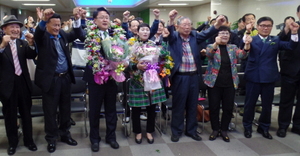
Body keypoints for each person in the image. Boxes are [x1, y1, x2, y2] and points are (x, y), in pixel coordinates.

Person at [166, 9, 225, 142]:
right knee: (179, 105)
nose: (187, 27)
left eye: (189, 25)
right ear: (178, 26)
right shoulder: (174, 36)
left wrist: (217, 25)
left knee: (193, 104)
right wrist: (170, 20)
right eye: (184, 25)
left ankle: (191, 130)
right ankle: (176, 131)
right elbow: (168, 33)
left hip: (194, 76)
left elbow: (207, 33)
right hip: (180, 77)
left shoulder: (194, 35)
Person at [34, 7, 85, 153]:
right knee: (50, 111)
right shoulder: (42, 37)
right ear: (48, 25)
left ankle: (65, 134)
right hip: (51, 80)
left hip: (65, 78)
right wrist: (43, 20)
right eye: (54, 25)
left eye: (59, 25)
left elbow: (75, 34)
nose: (57, 27)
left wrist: (77, 19)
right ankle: (51, 138)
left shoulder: (62, 34)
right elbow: (37, 33)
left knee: (65, 109)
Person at [242, 16, 299, 140]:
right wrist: (247, 32)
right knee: (250, 104)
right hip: (253, 76)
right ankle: (247, 127)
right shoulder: (251, 39)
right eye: (262, 25)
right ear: (258, 27)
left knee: (267, 105)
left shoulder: (276, 39)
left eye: (268, 26)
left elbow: (291, 46)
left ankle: (264, 127)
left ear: (271, 27)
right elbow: (243, 49)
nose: (265, 28)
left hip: (269, 76)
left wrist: (294, 32)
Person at [81, 7, 121, 152]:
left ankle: (111, 137)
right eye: (102, 17)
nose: (105, 20)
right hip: (95, 76)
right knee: (95, 110)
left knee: (111, 109)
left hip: (111, 77)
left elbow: (122, 50)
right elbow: (79, 32)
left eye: (107, 17)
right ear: (95, 20)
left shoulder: (115, 34)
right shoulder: (89, 33)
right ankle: (95, 139)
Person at [204, 26, 251, 142]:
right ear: (217, 35)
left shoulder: (233, 48)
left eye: (227, 33)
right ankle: (215, 129)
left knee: (228, 108)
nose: (224, 35)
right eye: (222, 33)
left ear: (230, 36)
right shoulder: (211, 46)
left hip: (230, 82)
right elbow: (209, 54)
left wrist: (246, 45)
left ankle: (224, 130)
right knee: (214, 107)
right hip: (214, 82)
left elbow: (242, 55)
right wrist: (216, 44)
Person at [0, 15, 37, 155]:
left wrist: (32, 44)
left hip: (23, 83)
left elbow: (31, 55)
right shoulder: (1, 43)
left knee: (26, 114)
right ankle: (12, 143)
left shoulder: (22, 43)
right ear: (4, 29)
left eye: (17, 27)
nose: (16, 30)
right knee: (10, 116)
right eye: (12, 27)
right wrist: (2, 46)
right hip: (7, 85)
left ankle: (29, 141)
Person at [128, 23, 169, 144]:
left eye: (147, 30)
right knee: (136, 109)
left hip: (151, 79)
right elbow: (125, 64)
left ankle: (150, 131)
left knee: (152, 107)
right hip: (137, 80)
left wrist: (155, 66)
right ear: (137, 31)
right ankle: (138, 132)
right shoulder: (131, 45)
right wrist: (136, 66)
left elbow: (163, 56)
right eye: (142, 30)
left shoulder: (154, 45)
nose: (145, 32)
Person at [277, 9, 300, 137]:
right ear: (298, 13)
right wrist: (287, 29)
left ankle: (297, 126)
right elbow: (280, 40)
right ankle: (283, 126)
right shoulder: (292, 26)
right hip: (290, 69)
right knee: (286, 100)